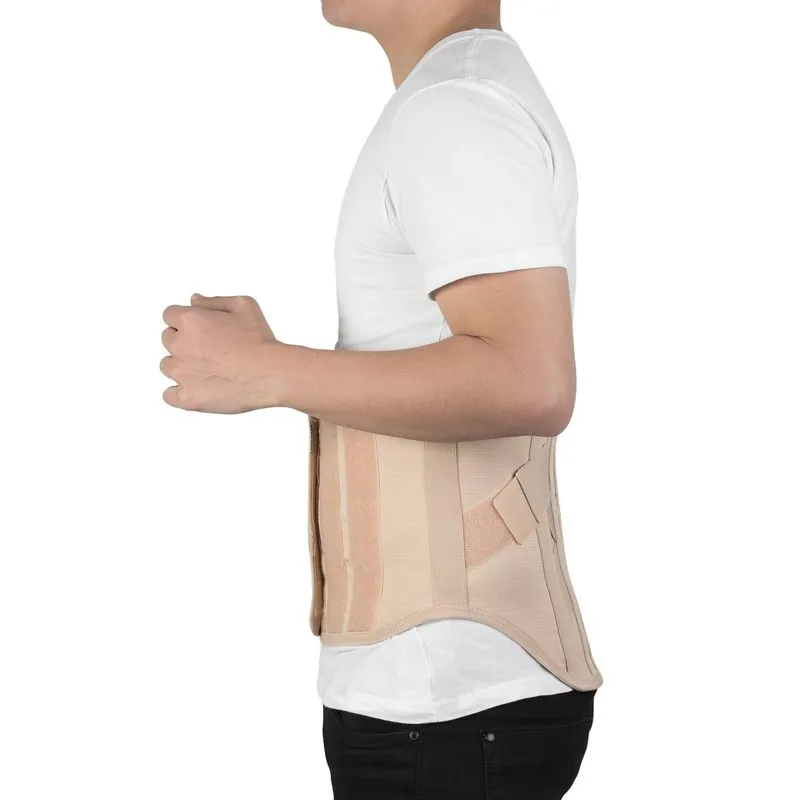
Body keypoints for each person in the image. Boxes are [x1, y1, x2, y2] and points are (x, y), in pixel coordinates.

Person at [160, 1, 603, 796]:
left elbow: (529, 380)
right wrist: (271, 364)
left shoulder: (455, 109)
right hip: (442, 695)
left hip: (448, 701)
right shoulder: (453, 97)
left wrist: (266, 370)